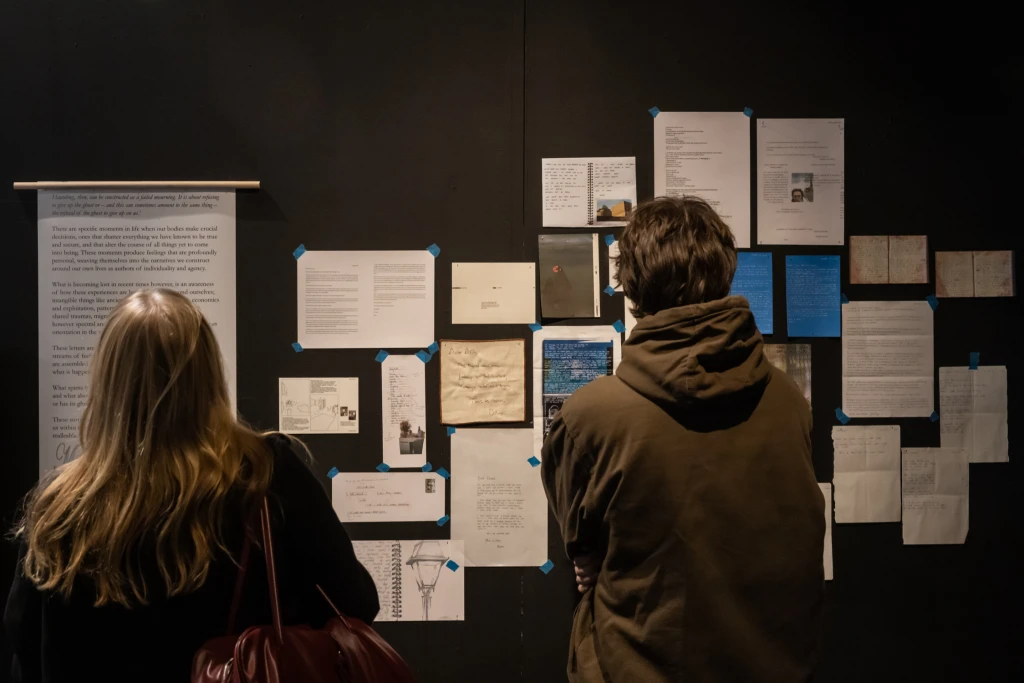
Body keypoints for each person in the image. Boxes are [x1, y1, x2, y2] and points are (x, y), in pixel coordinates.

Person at [4, 289, 379, 683]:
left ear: (108, 378)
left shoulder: (61, 507)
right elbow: (354, 602)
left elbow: (27, 649)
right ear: (209, 373)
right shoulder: (267, 475)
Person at [541, 196, 824, 682]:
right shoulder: (789, 402)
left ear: (631, 285)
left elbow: (581, 544)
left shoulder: (588, 417)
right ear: (725, 272)